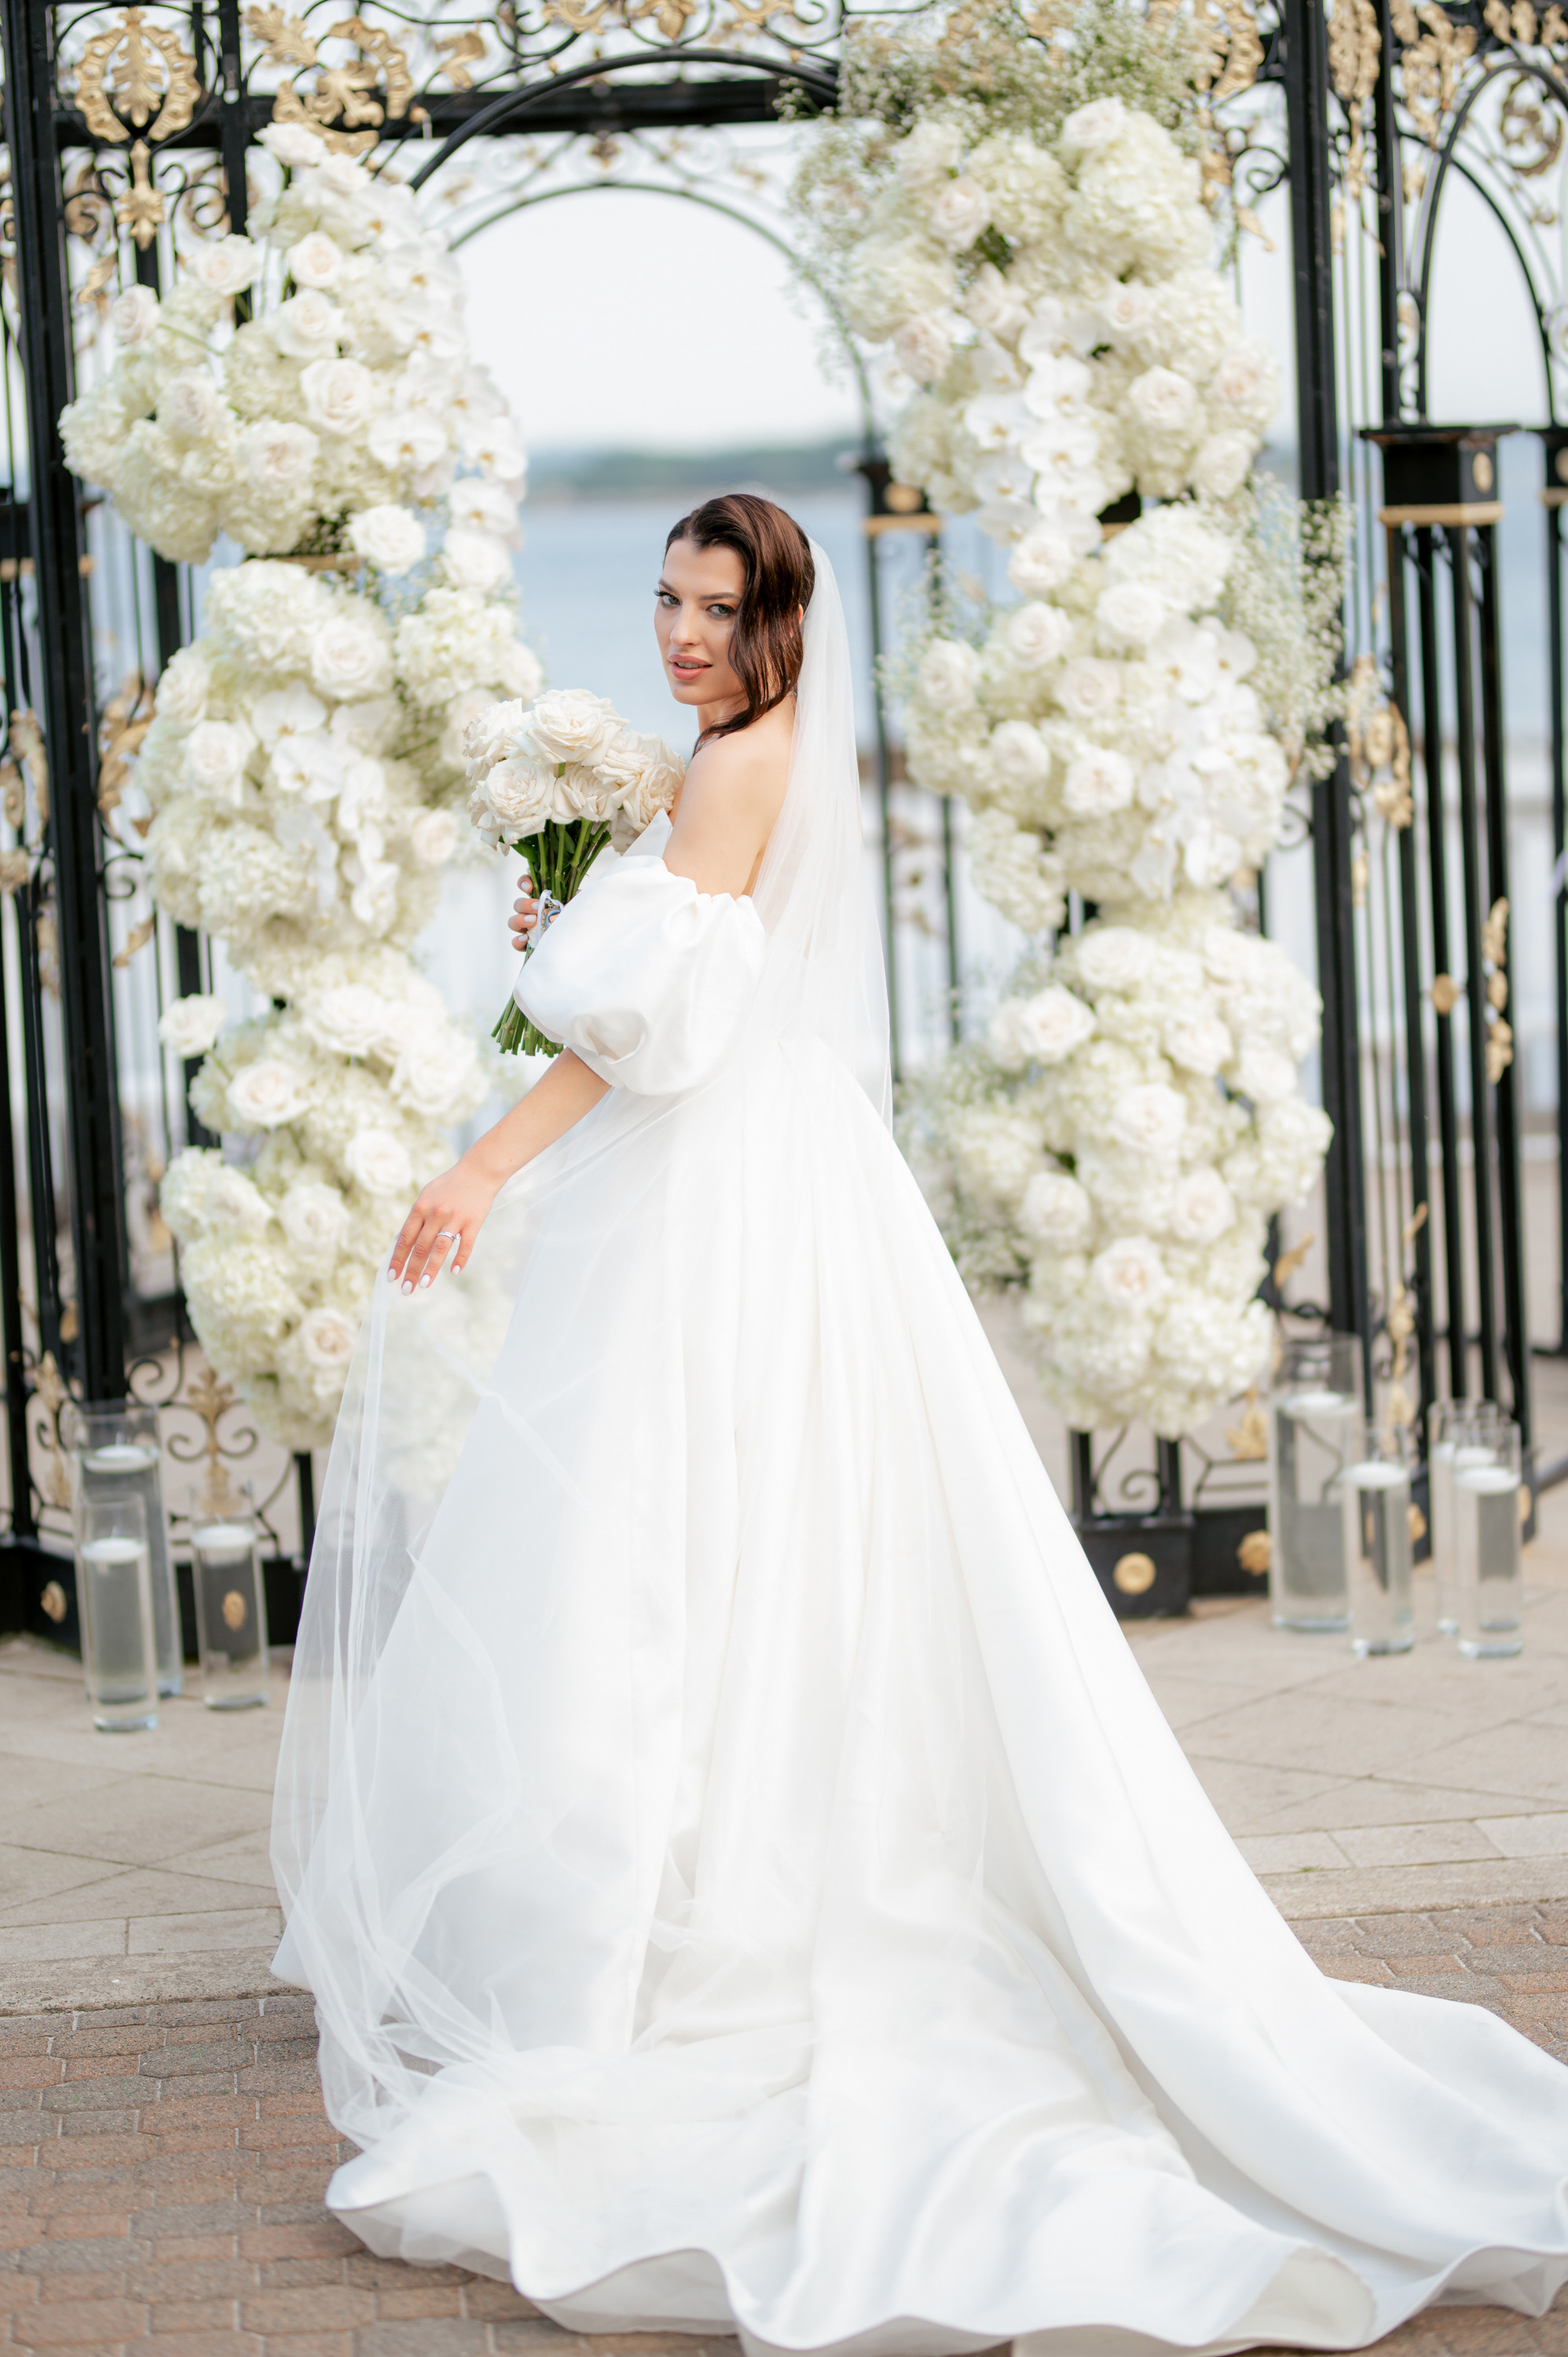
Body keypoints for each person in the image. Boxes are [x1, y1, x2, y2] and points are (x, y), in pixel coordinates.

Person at [272, 495, 1568, 2357]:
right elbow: (687, 986)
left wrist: (478, 1157)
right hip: (790, 1173)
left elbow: (643, 1036)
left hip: (711, 1193)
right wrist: (597, 900)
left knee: (659, 1535)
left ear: (782, 620)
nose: (681, 635)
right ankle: (688, 1873)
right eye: (666, 599)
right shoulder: (763, 762)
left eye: (718, 608)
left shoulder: (735, 767)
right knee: (759, 1528)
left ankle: (650, 1918)